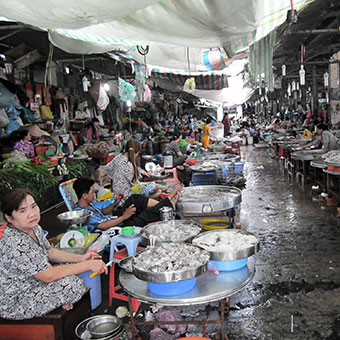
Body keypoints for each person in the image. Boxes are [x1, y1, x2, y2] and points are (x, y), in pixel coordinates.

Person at [0, 188, 107, 320]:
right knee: (72, 285)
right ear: (9, 217)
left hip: (34, 281)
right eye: (23, 211)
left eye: (33, 206)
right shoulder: (15, 243)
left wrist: (82, 258)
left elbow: (50, 252)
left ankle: (60, 300)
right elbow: (48, 276)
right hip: (17, 300)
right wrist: (88, 265)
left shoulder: (33, 227)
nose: (31, 213)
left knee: (70, 265)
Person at [73, 178, 182, 231]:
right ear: (84, 196)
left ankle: (166, 203)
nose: (94, 195)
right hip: (114, 228)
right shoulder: (82, 213)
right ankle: (169, 200)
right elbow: (103, 226)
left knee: (134, 198)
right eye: (92, 193)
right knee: (143, 216)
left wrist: (115, 203)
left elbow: (103, 212)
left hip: (114, 218)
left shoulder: (89, 204)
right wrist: (124, 217)